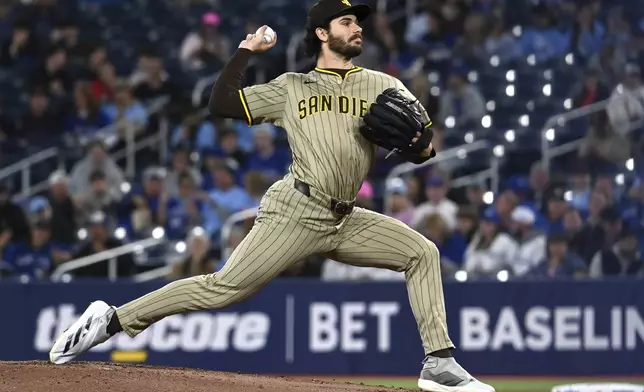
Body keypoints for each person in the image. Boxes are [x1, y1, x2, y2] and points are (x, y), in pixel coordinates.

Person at [48, 2, 494, 391]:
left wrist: (419, 146)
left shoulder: (383, 84)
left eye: (358, 22)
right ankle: (110, 319)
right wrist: (245, 51)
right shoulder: (291, 88)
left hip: (348, 216)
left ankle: (439, 363)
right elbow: (221, 105)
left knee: (422, 252)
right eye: (345, 21)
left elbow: (426, 147)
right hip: (296, 211)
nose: (357, 27)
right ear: (322, 33)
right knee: (221, 289)